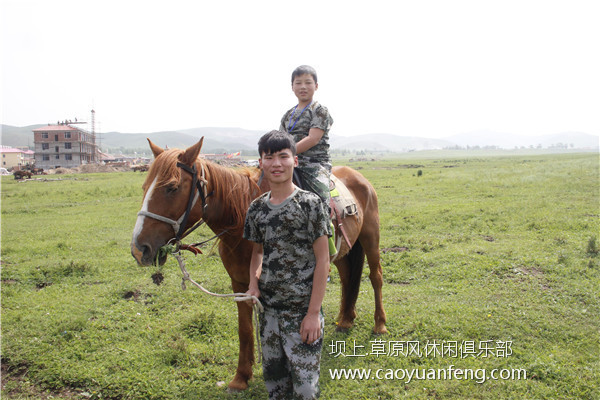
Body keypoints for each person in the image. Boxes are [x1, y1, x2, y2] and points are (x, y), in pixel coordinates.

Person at [244, 130, 330, 399]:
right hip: (268, 314)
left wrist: (313, 313)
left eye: (283, 156)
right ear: (261, 163)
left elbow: (323, 260)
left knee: (305, 388)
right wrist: (253, 284)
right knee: (275, 385)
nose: (276, 164)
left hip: (301, 312)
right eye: (269, 157)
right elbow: (257, 254)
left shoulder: (310, 204)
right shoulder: (256, 209)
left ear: (295, 160)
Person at [279, 65, 336, 255]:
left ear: (316, 86)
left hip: (313, 164)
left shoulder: (319, 110)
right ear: (292, 87)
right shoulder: (288, 115)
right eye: (298, 83)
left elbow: (313, 138)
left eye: (308, 82)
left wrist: (286, 153)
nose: (303, 86)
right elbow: (280, 138)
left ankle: (326, 250)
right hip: (288, 163)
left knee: (319, 201)